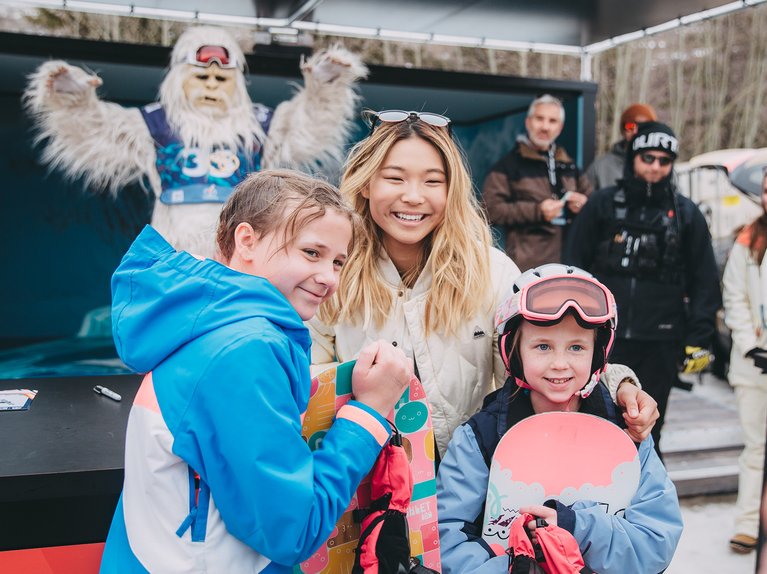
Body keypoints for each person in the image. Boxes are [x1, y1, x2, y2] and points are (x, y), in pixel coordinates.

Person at [99, 170, 412, 573]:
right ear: (246, 240)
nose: (328, 278)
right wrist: (369, 413)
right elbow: (292, 531)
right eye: (311, 253)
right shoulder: (245, 351)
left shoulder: (202, 321)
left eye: (337, 261)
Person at [310, 109, 659, 458]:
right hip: (366, 484)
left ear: (452, 189)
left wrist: (621, 386)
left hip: (471, 480)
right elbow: (305, 383)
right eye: (395, 178)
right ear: (367, 183)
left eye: (432, 181)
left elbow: (546, 352)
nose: (413, 196)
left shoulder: (489, 271)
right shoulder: (333, 273)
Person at [24, 26, 367, 257]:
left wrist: (325, 88)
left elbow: (307, 129)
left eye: (221, 77)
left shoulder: (260, 125)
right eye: (202, 76)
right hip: (173, 251)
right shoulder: (155, 124)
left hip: (242, 251)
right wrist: (72, 100)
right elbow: (96, 136)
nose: (212, 85)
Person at [437, 264, 683, 574]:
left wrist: (577, 526)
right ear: (514, 351)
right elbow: (447, 540)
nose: (560, 364)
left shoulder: (625, 433)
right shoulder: (482, 437)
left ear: (596, 354)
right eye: (542, 346)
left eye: (577, 347)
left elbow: (655, 541)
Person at [564, 121, 721, 458]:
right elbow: (572, 266)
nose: (655, 166)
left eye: (664, 160)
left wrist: (699, 337)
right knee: (595, 422)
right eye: (648, 157)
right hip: (602, 338)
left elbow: (705, 281)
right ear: (634, 157)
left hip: (660, 341)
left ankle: (644, 502)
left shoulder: (686, 214)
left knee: (647, 429)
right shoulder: (603, 204)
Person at [481, 94, 592, 271]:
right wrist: (537, 211)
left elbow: (592, 201)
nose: (545, 126)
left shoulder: (570, 166)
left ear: (560, 127)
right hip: (527, 267)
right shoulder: (507, 166)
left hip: (570, 264)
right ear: (528, 122)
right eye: (540, 118)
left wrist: (584, 205)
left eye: (552, 121)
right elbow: (489, 210)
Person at [722, 170, 767, 554]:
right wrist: (750, 343)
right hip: (754, 363)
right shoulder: (749, 238)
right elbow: (734, 295)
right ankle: (749, 522)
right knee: (755, 445)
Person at [585, 103, 657, 191]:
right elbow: (585, 202)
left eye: (643, 127)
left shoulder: (660, 166)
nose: (635, 131)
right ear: (623, 129)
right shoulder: (600, 167)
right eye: (630, 126)